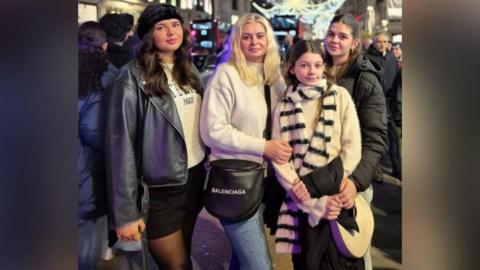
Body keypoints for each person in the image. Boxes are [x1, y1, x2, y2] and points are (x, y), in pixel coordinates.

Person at [105, 3, 206, 270]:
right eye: (161, 27)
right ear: (149, 35)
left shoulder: (189, 69)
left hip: (193, 181)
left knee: (187, 256)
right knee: (177, 264)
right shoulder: (131, 77)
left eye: (175, 25)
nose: (171, 32)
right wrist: (125, 214)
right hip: (160, 190)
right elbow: (120, 145)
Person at [200, 13, 290, 270]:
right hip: (236, 180)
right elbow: (212, 131)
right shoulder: (226, 75)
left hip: (266, 179)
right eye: (246, 37)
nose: (254, 42)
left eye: (260, 36)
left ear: (268, 39)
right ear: (236, 41)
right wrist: (264, 147)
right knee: (259, 264)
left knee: (242, 259)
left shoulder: (274, 76)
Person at [272, 39, 363, 270]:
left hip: (335, 194)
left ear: (324, 67)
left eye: (317, 65)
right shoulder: (283, 107)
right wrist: (307, 199)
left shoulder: (339, 96)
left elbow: (352, 146)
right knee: (307, 263)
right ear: (291, 68)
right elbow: (280, 159)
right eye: (304, 65)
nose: (311, 71)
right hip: (301, 200)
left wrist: (341, 184)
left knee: (341, 261)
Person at [323, 13, 388, 270]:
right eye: (331, 34)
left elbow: (375, 138)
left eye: (342, 36)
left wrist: (356, 181)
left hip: (352, 182)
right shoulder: (317, 70)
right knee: (324, 253)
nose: (335, 40)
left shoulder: (365, 78)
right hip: (321, 179)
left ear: (354, 42)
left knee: (355, 248)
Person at [77, 21, 109, 269]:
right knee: (86, 254)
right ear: (105, 46)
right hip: (85, 185)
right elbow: (94, 131)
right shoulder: (99, 80)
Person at [365, 31, 401, 180]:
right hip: (374, 103)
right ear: (373, 42)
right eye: (379, 41)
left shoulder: (392, 58)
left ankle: (398, 170)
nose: (382, 44)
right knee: (376, 139)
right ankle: (376, 170)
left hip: (391, 104)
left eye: (385, 41)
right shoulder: (367, 58)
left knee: (395, 138)